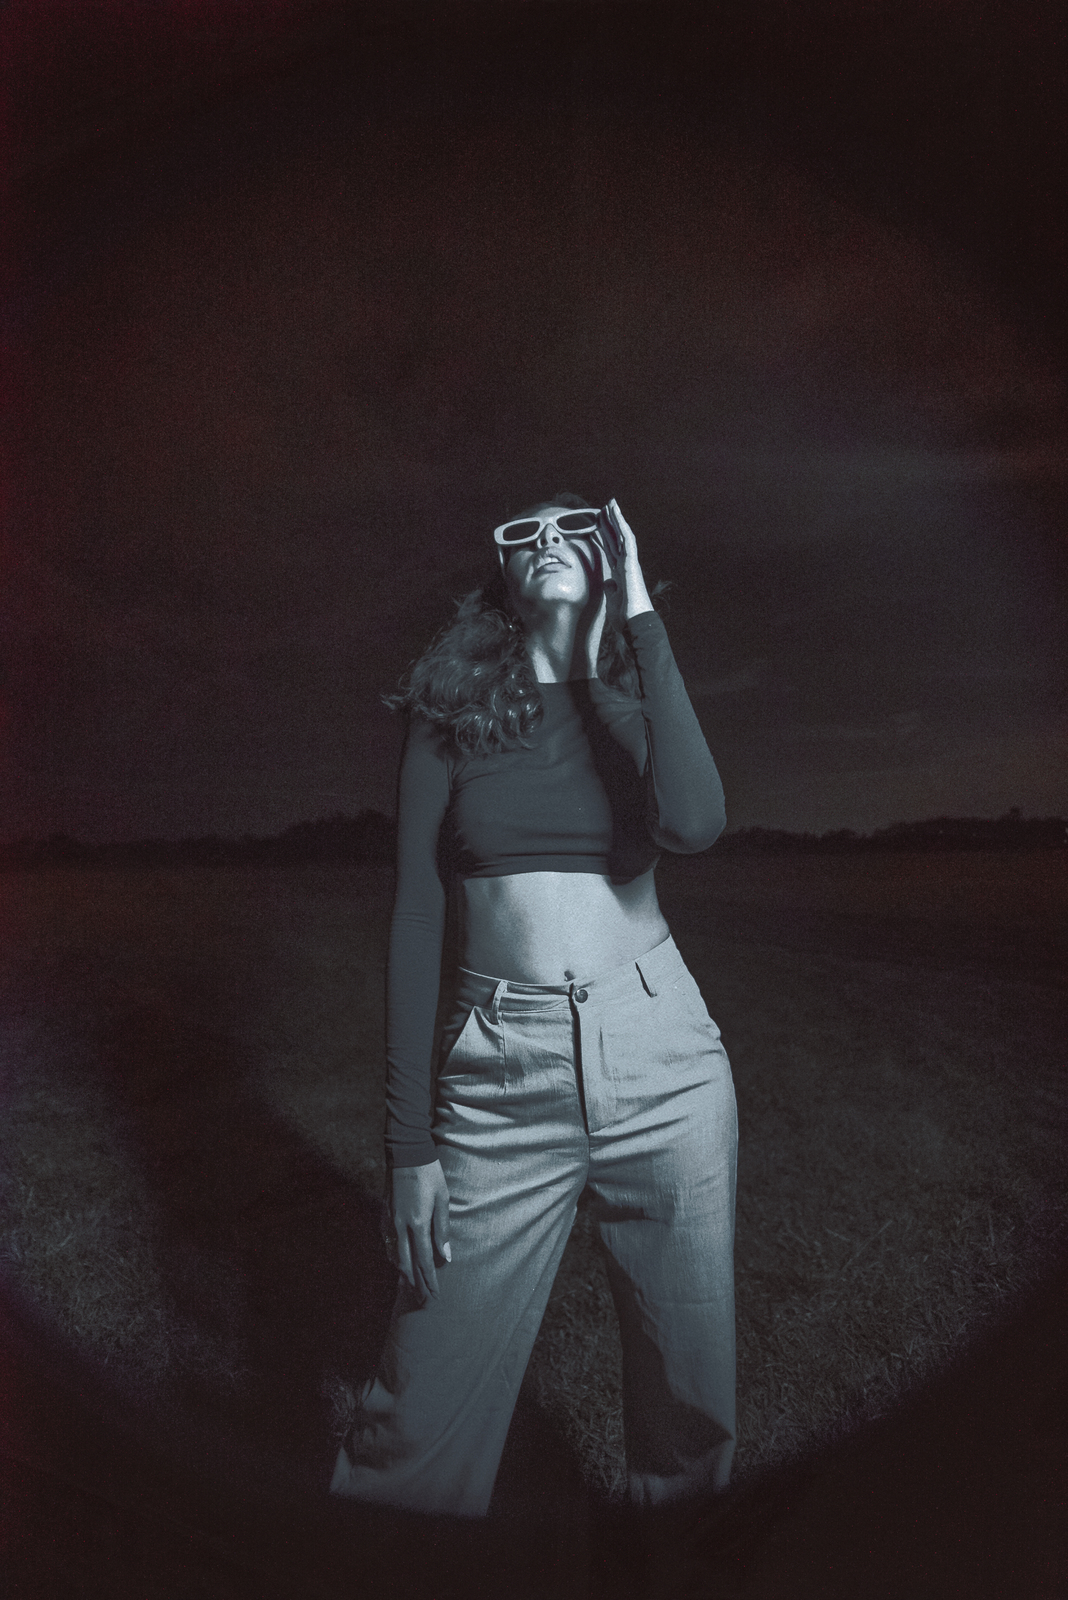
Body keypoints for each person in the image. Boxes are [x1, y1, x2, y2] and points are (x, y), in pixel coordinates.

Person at [330, 494, 738, 1520]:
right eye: (524, 531)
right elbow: (418, 913)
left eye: (574, 529)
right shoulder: (450, 710)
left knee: (690, 1411)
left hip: (667, 1065)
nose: (549, 540)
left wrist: (639, 614)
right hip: (501, 1066)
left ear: (605, 561)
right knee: (411, 1412)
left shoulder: (631, 712)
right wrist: (408, 1145)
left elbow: (694, 822)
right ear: (501, 576)